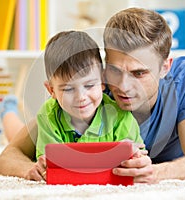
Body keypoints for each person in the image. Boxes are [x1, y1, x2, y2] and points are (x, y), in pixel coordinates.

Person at [0, 8, 185, 183]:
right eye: (115, 70)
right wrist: (29, 169)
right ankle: (9, 110)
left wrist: (154, 172)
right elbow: (11, 154)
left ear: (165, 67)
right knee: (29, 136)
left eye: (139, 73)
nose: (123, 86)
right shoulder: (93, 87)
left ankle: (9, 108)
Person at [35, 30, 143, 159]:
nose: (81, 97)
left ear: (103, 81)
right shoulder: (48, 115)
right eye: (68, 89)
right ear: (51, 90)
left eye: (89, 86)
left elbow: (137, 161)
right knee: (15, 134)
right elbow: (50, 164)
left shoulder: (120, 117)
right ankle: (9, 110)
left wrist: (134, 157)